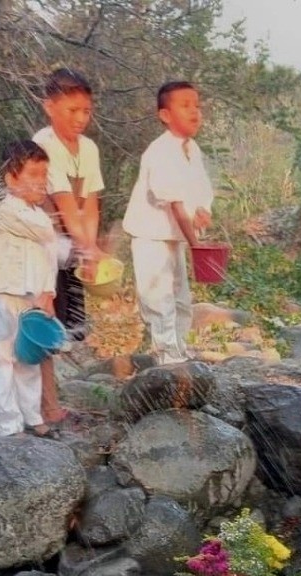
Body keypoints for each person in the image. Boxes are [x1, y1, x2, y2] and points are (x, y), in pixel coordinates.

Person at [122, 81, 213, 365]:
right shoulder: (159, 152)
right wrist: (196, 244)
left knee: (181, 296)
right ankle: (166, 353)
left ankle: (179, 346)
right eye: (185, 106)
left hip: (175, 236)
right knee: (159, 296)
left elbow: (199, 191)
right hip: (152, 236)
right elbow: (174, 203)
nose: (194, 112)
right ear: (165, 115)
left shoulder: (192, 149)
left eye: (197, 106)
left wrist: (202, 211)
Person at [32, 68, 104, 423]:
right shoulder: (44, 144)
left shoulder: (88, 148)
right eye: (71, 110)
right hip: (42, 243)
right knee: (42, 318)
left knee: (69, 326)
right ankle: (45, 404)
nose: (80, 119)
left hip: (68, 243)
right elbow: (63, 202)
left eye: (86, 111)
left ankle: (51, 398)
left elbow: (89, 202)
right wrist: (86, 248)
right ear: (49, 107)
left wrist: (88, 248)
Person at [0, 141, 57, 437]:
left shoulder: (37, 214)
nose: (42, 182)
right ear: (11, 179)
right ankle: (7, 425)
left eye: (45, 174)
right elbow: (46, 235)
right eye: (34, 174)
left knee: (28, 358)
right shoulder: (9, 211)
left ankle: (32, 416)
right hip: (1, 295)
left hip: (30, 299)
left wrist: (48, 292)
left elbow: (49, 259)